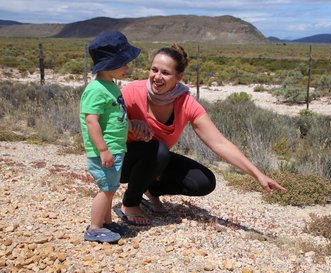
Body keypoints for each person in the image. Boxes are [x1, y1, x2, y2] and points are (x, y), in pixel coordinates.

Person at [116, 43, 286, 226]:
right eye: (154, 70)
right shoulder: (132, 93)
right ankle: (130, 203)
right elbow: (104, 124)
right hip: (119, 161)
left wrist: (257, 174)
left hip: (155, 158)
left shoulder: (186, 103)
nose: (157, 77)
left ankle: (152, 188)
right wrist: (130, 125)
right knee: (158, 150)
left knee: (203, 182)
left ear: (178, 77)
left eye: (165, 73)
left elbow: (219, 143)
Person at [79, 31, 141, 242]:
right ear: (108, 64)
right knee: (106, 190)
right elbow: (91, 121)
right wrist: (103, 150)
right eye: (123, 63)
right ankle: (95, 228)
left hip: (115, 148)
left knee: (110, 188)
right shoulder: (96, 89)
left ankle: (105, 223)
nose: (127, 67)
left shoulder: (110, 86)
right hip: (105, 150)